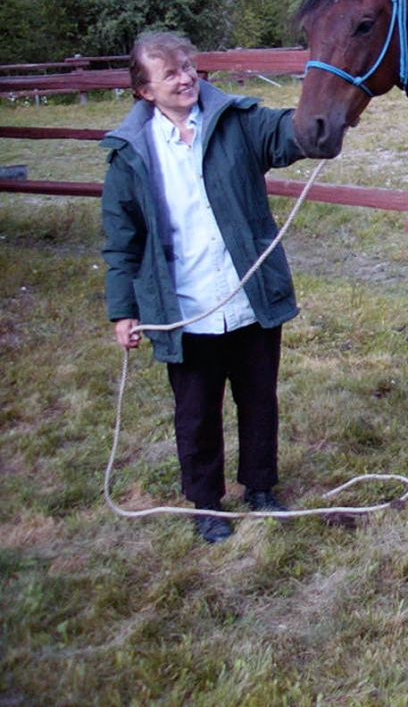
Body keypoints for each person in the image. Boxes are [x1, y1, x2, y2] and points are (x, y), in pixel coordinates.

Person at [101, 31, 306, 543]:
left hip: (247, 297)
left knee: (259, 400)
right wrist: (123, 312)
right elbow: (121, 242)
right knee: (196, 413)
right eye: (169, 73)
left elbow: (291, 133)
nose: (185, 77)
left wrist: (332, 102)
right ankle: (207, 505)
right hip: (183, 308)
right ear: (145, 90)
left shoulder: (235, 122)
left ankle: (261, 490)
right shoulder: (131, 154)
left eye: (187, 66)